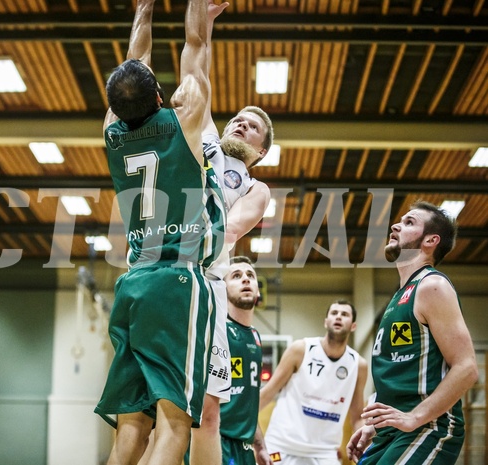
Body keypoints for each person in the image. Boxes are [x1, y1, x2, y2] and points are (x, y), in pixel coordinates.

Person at [94, 0, 226, 463]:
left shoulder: (111, 131)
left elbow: (136, 65)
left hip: (133, 283)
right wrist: (197, 8)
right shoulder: (185, 121)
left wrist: (142, 11)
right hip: (178, 280)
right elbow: (196, 46)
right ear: (157, 98)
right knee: (174, 424)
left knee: (132, 424)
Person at [192, 2, 274, 464]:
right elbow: (197, 75)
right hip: (166, 263)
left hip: (207, 282)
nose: (241, 123)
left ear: (260, 149)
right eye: (238, 118)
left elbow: (232, 227)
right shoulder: (206, 142)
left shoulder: (255, 186)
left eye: (253, 125)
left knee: (208, 409)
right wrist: (204, 23)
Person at [346, 201, 478, 464]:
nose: (395, 225)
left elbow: (467, 368)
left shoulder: (432, 286)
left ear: (430, 240)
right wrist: (375, 425)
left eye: (409, 223)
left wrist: (414, 417)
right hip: (392, 433)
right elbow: (401, 376)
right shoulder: (400, 296)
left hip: (429, 427)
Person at [260, 300, 368, 465]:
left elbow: (357, 417)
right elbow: (268, 392)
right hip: (282, 444)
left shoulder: (358, 365)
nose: (338, 317)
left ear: (353, 326)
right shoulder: (300, 349)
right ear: (326, 322)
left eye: (344, 314)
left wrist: (365, 441)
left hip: (324, 452)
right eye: (334, 313)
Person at [218, 256, 272, 465]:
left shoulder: (255, 337)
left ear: (258, 291)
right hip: (217, 439)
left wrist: (260, 446)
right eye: (237, 276)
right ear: (222, 289)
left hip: (244, 446)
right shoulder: (217, 329)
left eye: (250, 275)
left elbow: (248, 403)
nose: (246, 280)